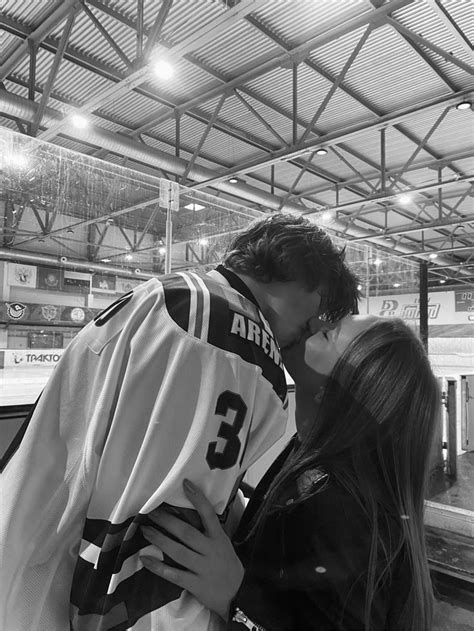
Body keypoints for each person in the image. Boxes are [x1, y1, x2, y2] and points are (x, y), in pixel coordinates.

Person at [0, 213, 358, 631]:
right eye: (322, 309)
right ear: (307, 280)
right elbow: (149, 553)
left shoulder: (173, 294)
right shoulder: (235, 342)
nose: (316, 325)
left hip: (27, 566)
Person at [139, 315, 440, 631]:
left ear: (352, 386)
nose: (315, 323)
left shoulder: (341, 509)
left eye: (329, 333)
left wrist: (236, 597)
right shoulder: (312, 455)